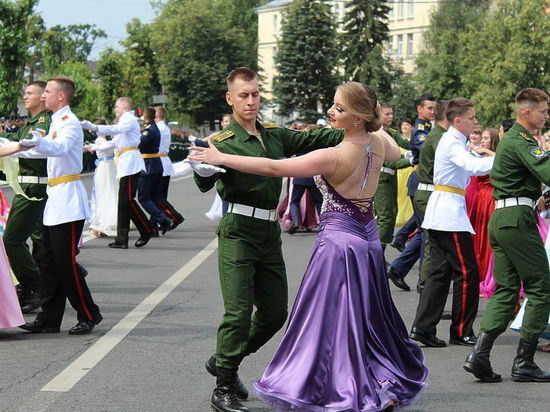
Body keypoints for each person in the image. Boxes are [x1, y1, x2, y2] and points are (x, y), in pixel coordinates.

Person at [190, 81, 428, 412]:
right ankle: (376, 384)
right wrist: (373, 120)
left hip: (339, 244)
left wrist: (221, 156)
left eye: (339, 108)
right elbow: (392, 147)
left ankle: (337, 386)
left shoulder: (334, 154)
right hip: (368, 241)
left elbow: (274, 167)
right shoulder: (378, 145)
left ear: (358, 117)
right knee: (366, 319)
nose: (330, 111)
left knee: (328, 321)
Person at [190, 67, 344, 412]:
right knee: (239, 312)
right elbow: (203, 178)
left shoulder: (273, 135)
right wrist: (203, 165)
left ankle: (223, 359)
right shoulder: (223, 143)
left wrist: (352, 131)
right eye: (243, 95)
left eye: (255, 94)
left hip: (269, 233)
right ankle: (224, 386)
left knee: (275, 314)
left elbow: (311, 140)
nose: (250, 100)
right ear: (230, 99)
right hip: (238, 231)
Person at [464, 88, 550, 383]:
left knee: (506, 289)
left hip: (505, 217)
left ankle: (479, 354)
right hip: (516, 220)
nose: (546, 116)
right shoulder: (522, 140)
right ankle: (524, 362)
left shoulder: (514, 140)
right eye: (544, 111)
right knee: (541, 287)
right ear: (527, 112)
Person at [6, 75, 102, 335]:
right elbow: (39, 150)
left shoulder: (69, 122)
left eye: (47, 91)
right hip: (55, 199)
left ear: (61, 96)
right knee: (48, 261)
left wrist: (34, 142)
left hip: (68, 199)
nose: (43, 94)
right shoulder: (57, 121)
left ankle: (89, 313)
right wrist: (14, 147)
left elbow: (58, 148)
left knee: (65, 263)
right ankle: (49, 318)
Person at [410, 98, 494, 348]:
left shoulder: (455, 140)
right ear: (458, 121)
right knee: (468, 273)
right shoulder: (452, 141)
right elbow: (472, 166)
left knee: (439, 273)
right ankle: (460, 330)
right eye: (472, 118)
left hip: (445, 211)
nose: (475, 122)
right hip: (449, 214)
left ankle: (423, 328)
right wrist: (505, 158)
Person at [388, 100, 450, 292]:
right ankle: (425, 283)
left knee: (425, 232)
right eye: (429, 108)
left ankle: (399, 267)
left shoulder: (430, 128)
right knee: (428, 237)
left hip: (428, 185)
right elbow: (426, 150)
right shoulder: (421, 129)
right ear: (419, 109)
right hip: (422, 184)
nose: (433, 111)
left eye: (434, 108)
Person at [0, 81, 51, 313]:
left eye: (30, 92)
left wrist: (11, 147)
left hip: (33, 189)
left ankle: (34, 286)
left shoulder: (43, 122)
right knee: (41, 239)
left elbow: (29, 148)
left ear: (42, 97)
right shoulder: (31, 123)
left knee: (12, 239)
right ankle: (61, 277)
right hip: (28, 187)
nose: (26, 95)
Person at [82, 97, 156, 249]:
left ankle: (145, 229)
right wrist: (94, 148)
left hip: (130, 163)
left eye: (116, 106)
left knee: (127, 200)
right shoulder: (124, 122)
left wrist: (93, 127)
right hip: (125, 162)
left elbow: (116, 131)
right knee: (124, 201)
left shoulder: (128, 119)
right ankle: (123, 238)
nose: (115, 109)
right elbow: (114, 143)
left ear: (124, 106)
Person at [374, 103, 412, 252]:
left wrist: (419, 147)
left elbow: (406, 143)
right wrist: (409, 160)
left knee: (391, 214)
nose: (391, 117)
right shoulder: (376, 134)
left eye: (391, 114)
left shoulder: (391, 132)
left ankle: (378, 254)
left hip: (390, 178)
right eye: (387, 114)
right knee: (385, 217)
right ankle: (377, 256)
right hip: (381, 177)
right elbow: (389, 161)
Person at [136, 107, 173, 237]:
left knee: (143, 198)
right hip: (156, 165)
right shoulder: (154, 127)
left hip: (149, 166)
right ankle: (155, 225)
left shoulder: (149, 130)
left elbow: (139, 143)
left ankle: (163, 219)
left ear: (145, 117)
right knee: (154, 198)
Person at [155, 106, 185, 230]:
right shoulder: (163, 127)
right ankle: (160, 221)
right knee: (159, 197)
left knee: (158, 197)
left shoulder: (159, 128)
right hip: (163, 162)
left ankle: (175, 217)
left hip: (160, 163)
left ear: (157, 115)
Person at [88, 119, 118, 238]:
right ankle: (99, 222)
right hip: (105, 166)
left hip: (109, 166)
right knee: (105, 192)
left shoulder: (104, 140)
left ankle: (106, 220)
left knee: (110, 191)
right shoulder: (100, 140)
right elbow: (106, 148)